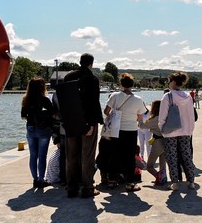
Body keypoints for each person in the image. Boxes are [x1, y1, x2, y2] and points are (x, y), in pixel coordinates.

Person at [63, 53, 104, 198]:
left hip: (71, 121)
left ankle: (71, 187)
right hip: (87, 121)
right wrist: (92, 122)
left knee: (71, 155)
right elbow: (93, 102)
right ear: (91, 63)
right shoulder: (92, 79)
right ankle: (87, 187)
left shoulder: (68, 77)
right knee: (87, 155)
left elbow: (64, 100)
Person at [104, 73, 147, 191]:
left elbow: (106, 111)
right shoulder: (138, 100)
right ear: (132, 85)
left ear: (121, 84)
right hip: (131, 130)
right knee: (129, 156)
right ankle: (130, 183)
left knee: (114, 155)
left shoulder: (114, 96)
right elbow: (139, 117)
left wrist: (116, 114)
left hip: (116, 130)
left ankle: (112, 180)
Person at [159, 72, 197, 190]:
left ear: (173, 82)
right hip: (186, 131)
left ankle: (175, 182)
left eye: (169, 81)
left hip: (170, 132)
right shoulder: (188, 96)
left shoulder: (168, 96)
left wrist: (162, 128)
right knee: (187, 156)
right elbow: (191, 115)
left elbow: (162, 116)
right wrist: (190, 130)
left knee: (172, 157)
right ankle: (191, 181)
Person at [21, 77, 56, 188]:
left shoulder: (26, 99)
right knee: (42, 156)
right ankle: (41, 180)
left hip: (30, 128)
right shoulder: (44, 100)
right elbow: (53, 113)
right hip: (43, 129)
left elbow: (23, 116)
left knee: (33, 155)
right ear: (42, 87)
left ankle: (35, 179)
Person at [138, 99, 167, 186]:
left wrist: (139, 118)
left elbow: (142, 126)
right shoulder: (164, 116)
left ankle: (159, 177)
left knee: (149, 166)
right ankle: (162, 179)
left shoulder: (155, 119)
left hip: (157, 142)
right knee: (162, 165)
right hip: (166, 141)